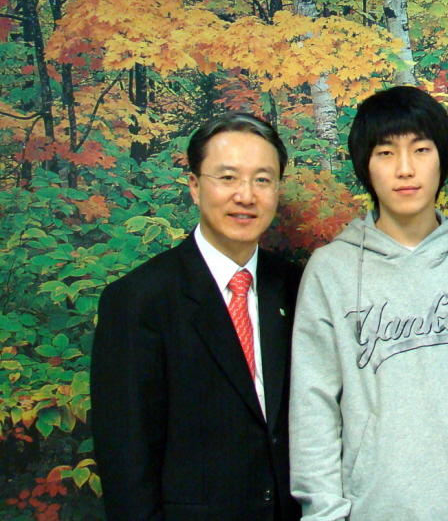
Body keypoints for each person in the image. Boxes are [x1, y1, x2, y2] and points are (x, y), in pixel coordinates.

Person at [289, 86, 448, 521]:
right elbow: (313, 405)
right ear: (365, 166)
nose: (405, 169)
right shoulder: (330, 271)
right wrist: (323, 514)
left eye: (421, 149)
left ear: (442, 160)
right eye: (386, 153)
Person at [91, 113, 301, 521]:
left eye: (262, 180)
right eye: (227, 178)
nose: (246, 196)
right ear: (194, 185)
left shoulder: (295, 287)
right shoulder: (138, 300)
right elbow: (126, 463)